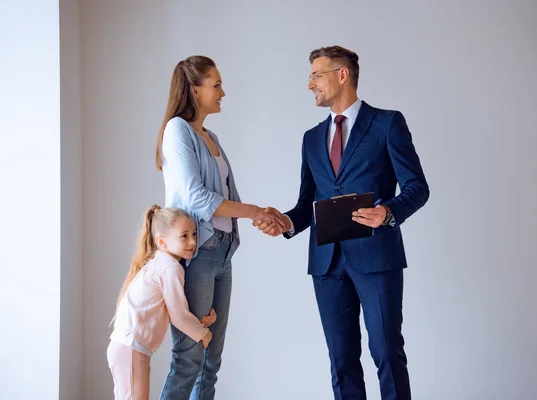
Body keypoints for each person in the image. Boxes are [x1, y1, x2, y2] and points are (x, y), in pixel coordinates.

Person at [256, 46, 429, 400]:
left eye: (316, 75)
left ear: (342, 74)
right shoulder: (311, 139)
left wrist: (389, 212)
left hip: (376, 258)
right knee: (341, 361)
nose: (310, 84)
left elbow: (417, 187)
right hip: (327, 264)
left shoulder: (387, 123)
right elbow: (308, 204)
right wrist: (286, 222)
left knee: (387, 354)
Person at [156, 56, 286, 399]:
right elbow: (198, 198)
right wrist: (254, 210)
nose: (222, 92)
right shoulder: (177, 130)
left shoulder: (209, 135)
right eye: (216, 85)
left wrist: (258, 215)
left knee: (211, 359)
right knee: (190, 357)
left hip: (224, 250)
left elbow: (226, 194)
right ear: (194, 90)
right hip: (199, 252)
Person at [108, 205, 216, 400]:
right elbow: (178, 315)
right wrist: (204, 334)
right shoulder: (170, 268)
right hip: (131, 348)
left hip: (125, 347)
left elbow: (172, 308)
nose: (192, 241)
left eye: (193, 234)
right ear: (161, 241)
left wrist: (203, 319)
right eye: (184, 236)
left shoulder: (158, 263)